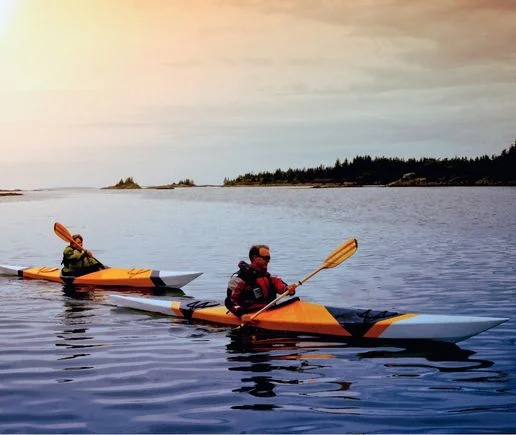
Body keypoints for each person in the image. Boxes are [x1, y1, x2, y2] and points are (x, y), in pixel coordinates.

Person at [225, 244, 297, 320]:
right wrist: (241, 315)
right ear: (255, 258)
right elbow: (229, 301)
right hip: (250, 314)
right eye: (266, 258)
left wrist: (289, 290)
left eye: (269, 258)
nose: (268, 261)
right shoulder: (238, 278)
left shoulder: (269, 277)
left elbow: (282, 287)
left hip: (270, 311)